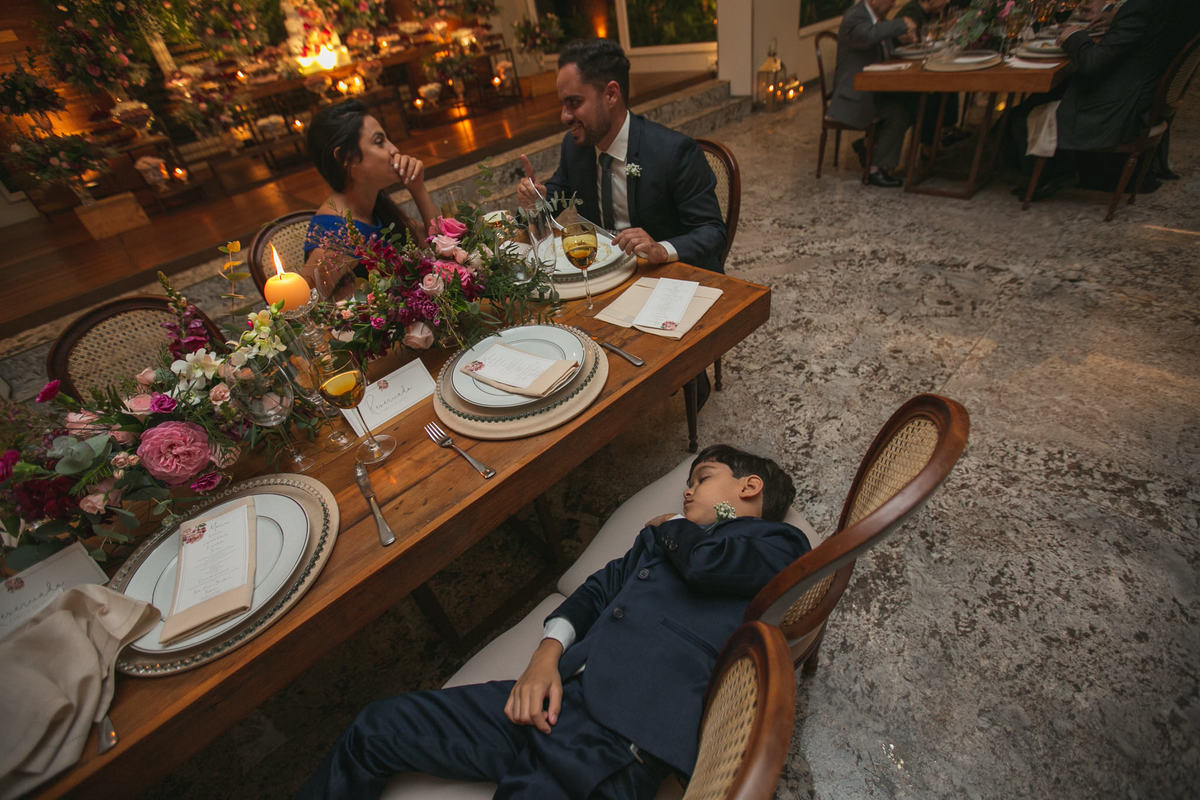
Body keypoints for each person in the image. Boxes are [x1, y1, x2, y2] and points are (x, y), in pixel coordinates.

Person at [294, 445, 812, 799]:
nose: (686, 493)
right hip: (552, 695)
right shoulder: (660, 539)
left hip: (614, 739)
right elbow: (598, 590)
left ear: (749, 487)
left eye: (701, 480)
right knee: (375, 727)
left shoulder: (775, 543)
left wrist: (682, 524)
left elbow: (708, 563)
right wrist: (546, 655)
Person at [516, 38, 727, 273]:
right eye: (562, 105)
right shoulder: (575, 147)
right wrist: (534, 203)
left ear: (611, 95)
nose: (564, 117)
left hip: (669, 277)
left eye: (574, 102)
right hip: (606, 276)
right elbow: (554, 196)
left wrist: (662, 249)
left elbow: (712, 232)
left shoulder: (674, 152)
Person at [1012, 0, 1200, 199]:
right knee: (1049, 92)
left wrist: (1074, 36)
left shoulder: (1141, 7)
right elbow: (1153, 26)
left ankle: (1050, 176)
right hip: (1147, 96)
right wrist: (1116, 17)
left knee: (1023, 114)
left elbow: (1091, 63)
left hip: (1120, 109)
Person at [301, 99, 439, 300]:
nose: (394, 150)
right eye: (379, 142)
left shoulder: (374, 207)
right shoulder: (335, 238)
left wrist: (417, 188)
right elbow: (305, 309)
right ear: (344, 158)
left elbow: (440, 246)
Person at [827, 0, 919, 188]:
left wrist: (899, 39)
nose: (892, 5)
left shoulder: (875, 16)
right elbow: (868, 36)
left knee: (909, 105)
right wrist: (901, 24)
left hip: (873, 90)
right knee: (899, 112)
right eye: (890, 1)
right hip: (853, 95)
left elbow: (881, 44)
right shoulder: (855, 16)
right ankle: (876, 168)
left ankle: (870, 146)